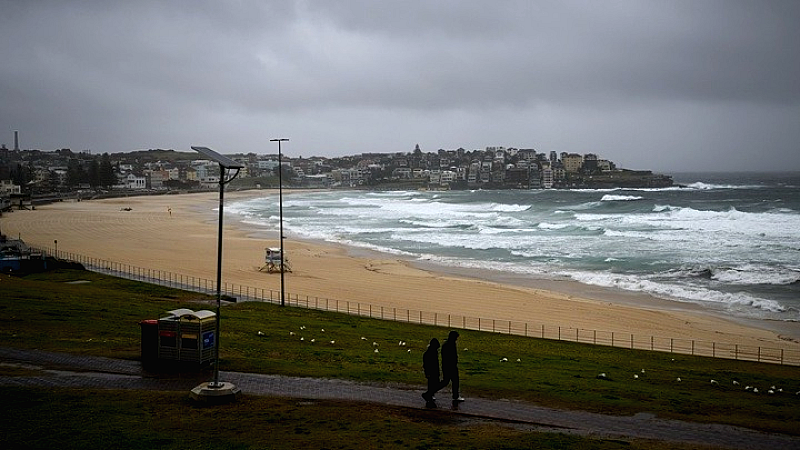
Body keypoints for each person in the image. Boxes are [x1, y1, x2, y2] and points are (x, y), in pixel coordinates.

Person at [440, 330, 464, 402]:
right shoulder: (450, 345)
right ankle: (455, 396)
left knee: (448, 381)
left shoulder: (448, 344)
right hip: (450, 366)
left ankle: (431, 392)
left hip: (448, 366)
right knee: (451, 381)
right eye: (456, 337)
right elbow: (450, 356)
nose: (457, 339)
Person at [421, 338, 440, 403]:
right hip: (432, 371)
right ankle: (429, 394)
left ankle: (429, 394)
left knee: (431, 384)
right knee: (434, 384)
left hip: (432, 371)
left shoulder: (429, 352)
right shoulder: (431, 353)